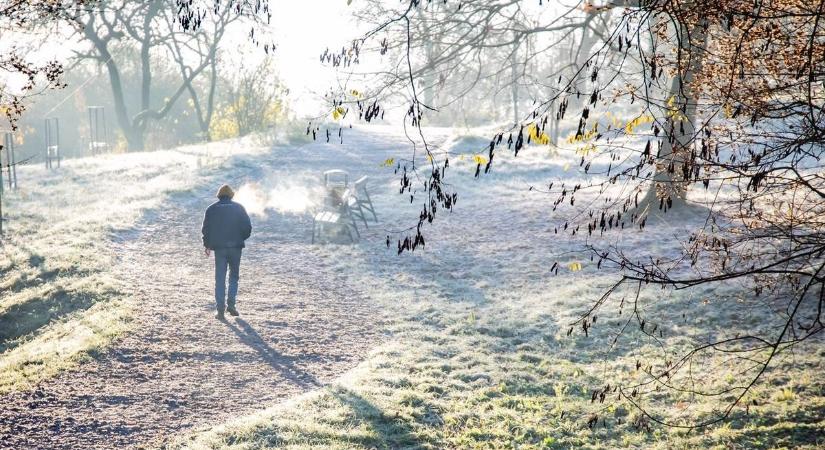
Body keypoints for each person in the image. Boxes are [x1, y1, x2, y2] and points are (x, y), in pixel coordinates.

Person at [201, 184, 252, 320]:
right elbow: (247, 227)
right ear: (231, 195)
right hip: (236, 248)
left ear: (219, 195)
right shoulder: (239, 208)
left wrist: (207, 245)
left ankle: (220, 310)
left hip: (220, 249)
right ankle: (231, 304)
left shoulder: (211, 209)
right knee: (234, 277)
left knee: (220, 278)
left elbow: (206, 229)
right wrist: (240, 238)